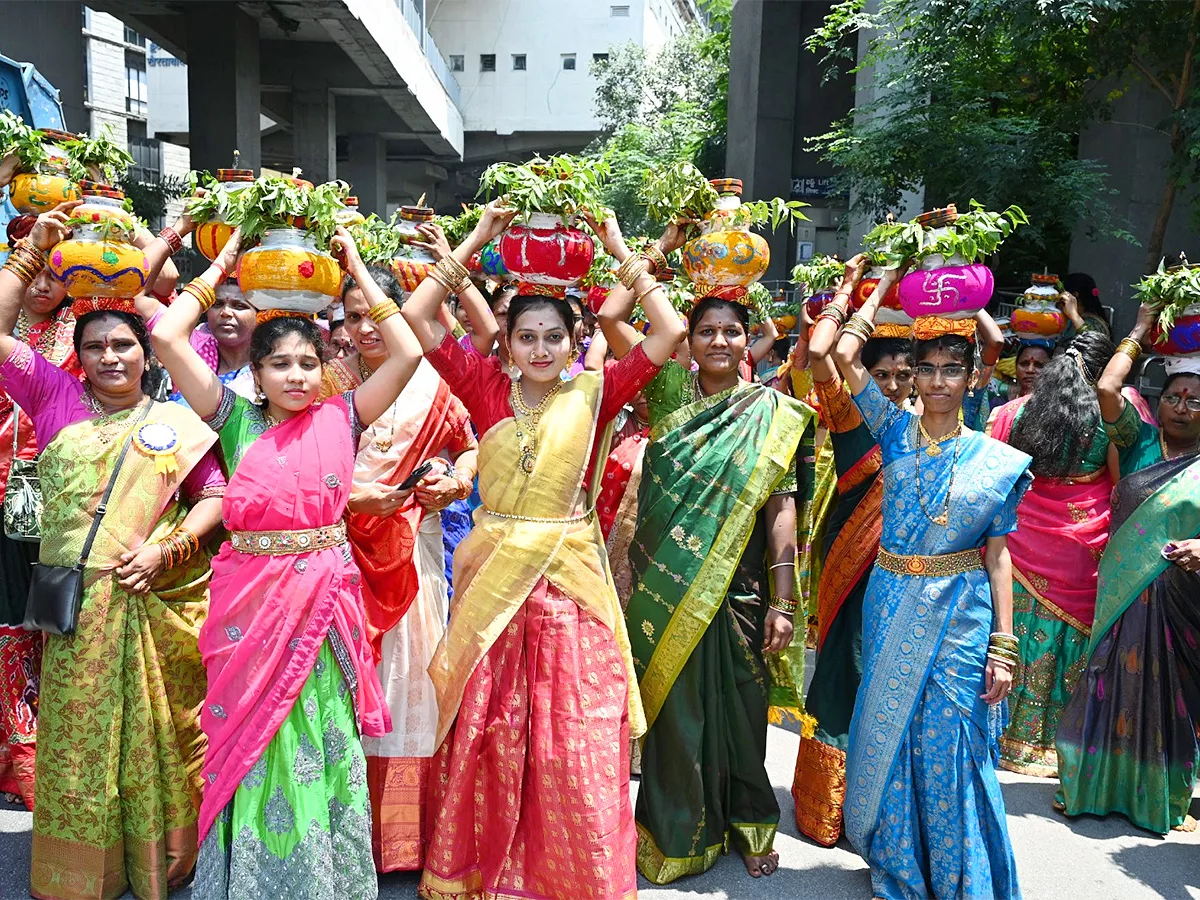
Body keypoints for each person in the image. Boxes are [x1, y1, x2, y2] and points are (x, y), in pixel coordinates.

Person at [401, 202, 686, 900]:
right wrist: (476, 240)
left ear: (574, 339)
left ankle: (577, 876)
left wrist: (618, 243)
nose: (539, 350)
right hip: (495, 579)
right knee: (488, 732)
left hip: (571, 585)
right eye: (525, 336)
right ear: (505, 342)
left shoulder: (598, 393)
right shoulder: (483, 386)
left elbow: (671, 329)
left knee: (577, 739)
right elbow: (415, 319)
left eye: (552, 337)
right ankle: (483, 873)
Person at [151, 222, 425, 897]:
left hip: (321, 609)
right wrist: (225, 263)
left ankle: (317, 877)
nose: (296, 377)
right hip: (250, 607)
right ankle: (252, 876)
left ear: (323, 363)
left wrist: (356, 264)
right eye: (281, 365)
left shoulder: (343, 415)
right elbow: (164, 337)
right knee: (251, 736)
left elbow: (409, 351)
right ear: (257, 372)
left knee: (314, 733)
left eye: (307, 363)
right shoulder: (231, 416)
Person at [0, 204, 227, 899]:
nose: (109, 357)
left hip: (154, 607)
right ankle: (82, 873)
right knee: (82, 745)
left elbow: (217, 498)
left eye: (123, 346)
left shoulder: (174, 422)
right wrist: (30, 255)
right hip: (79, 616)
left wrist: (170, 551)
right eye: (96, 346)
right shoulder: (57, 399)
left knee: (158, 737)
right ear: (82, 356)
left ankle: (159, 862)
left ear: (146, 352)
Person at [601, 266, 815, 880]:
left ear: (750, 340)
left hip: (744, 585)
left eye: (731, 331)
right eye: (705, 332)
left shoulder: (771, 411)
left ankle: (751, 826)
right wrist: (644, 254)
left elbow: (781, 505)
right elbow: (614, 319)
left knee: (745, 713)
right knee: (675, 715)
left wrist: (782, 597)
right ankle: (671, 833)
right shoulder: (667, 395)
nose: (719, 341)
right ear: (687, 342)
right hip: (669, 580)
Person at [831, 270, 1031, 900]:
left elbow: (999, 559)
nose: (938, 381)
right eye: (928, 369)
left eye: (952, 369)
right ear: (912, 375)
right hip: (892, 597)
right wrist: (888, 275)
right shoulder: (891, 431)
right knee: (892, 730)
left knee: (950, 740)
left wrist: (1004, 643)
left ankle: (960, 875)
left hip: (963, 612)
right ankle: (900, 863)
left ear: (973, 377)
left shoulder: (995, 460)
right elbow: (839, 351)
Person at [318, 262, 479, 873]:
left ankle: (405, 842)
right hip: (338, 550)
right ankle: (343, 833)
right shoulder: (321, 380)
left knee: (410, 687)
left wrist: (455, 480)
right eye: (353, 316)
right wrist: (350, 499)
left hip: (413, 549)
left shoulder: (432, 384)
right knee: (345, 683)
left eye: (376, 314)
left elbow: (467, 446)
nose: (366, 329)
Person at [1054, 304, 1200, 834]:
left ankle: (1160, 799)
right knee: (1106, 685)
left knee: (1171, 700)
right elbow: (1108, 390)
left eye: (1195, 401)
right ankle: (1088, 788)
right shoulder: (1137, 443)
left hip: (1183, 605)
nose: (1182, 408)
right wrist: (1139, 329)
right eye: (1174, 397)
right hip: (1121, 597)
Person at [791, 257, 915, 847]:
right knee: (846, 672)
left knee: (893, 679)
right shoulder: (850, 416)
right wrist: (867, 287)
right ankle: (825, 808)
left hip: (911, 573)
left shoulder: (929, 430)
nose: (893, 384)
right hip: (852, 565)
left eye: (903, 375)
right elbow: (823, 355)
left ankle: (884, 807)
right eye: (882, 374)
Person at [990, 332, 1117, 777]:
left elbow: (997, 481)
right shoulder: (1112, 418)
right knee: (1068, 645)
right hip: (1084, 546)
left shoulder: (1011, 413)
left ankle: (1005, 737)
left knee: (1017, 633)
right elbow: (1121, 488)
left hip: (1021, 543)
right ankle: (1064, 745)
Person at [0, 215, 80, 811]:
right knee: (12, 623)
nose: (41, 284)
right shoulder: (9, 329)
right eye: (31, 271)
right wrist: (32, 249)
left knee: (53, 617)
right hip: (8, 487)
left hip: (62, 491)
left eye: (55, 274)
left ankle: (48, 750)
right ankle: (17, 750)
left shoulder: (90, 331)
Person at [1062, 273, 1112, 339]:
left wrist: (1073, 315)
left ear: (1074, 295)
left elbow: (1091, 341)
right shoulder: (1070, 321)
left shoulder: (1094, 324)